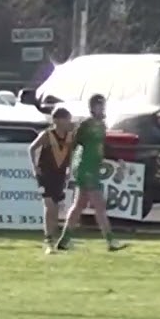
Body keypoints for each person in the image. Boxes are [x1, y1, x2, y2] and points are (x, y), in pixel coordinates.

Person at [56, 93, 125, 252]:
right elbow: (73, 144)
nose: (102, 108)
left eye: (103, 105)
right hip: (85, 167)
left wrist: (117, 158)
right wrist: (68, 166)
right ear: (92, 107)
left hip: (92, 167)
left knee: (79, 205)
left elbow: (103, 146)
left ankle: (64, 240)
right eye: (99, 105)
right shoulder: (86, 124)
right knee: (99, 205)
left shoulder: (101, 125)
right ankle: (110, 241)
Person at [28, 107, 75, 253]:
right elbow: (32, 148)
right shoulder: (47, 135)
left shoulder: (69, 136)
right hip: (45, 174)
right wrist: (35, 167)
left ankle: (53, 238)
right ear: (57, 120)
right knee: (49, 205)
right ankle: (48, 240)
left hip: (59, 175)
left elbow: (71, 154)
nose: (69, 122)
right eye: (66, 119)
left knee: (55, 207)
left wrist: (69, 169)